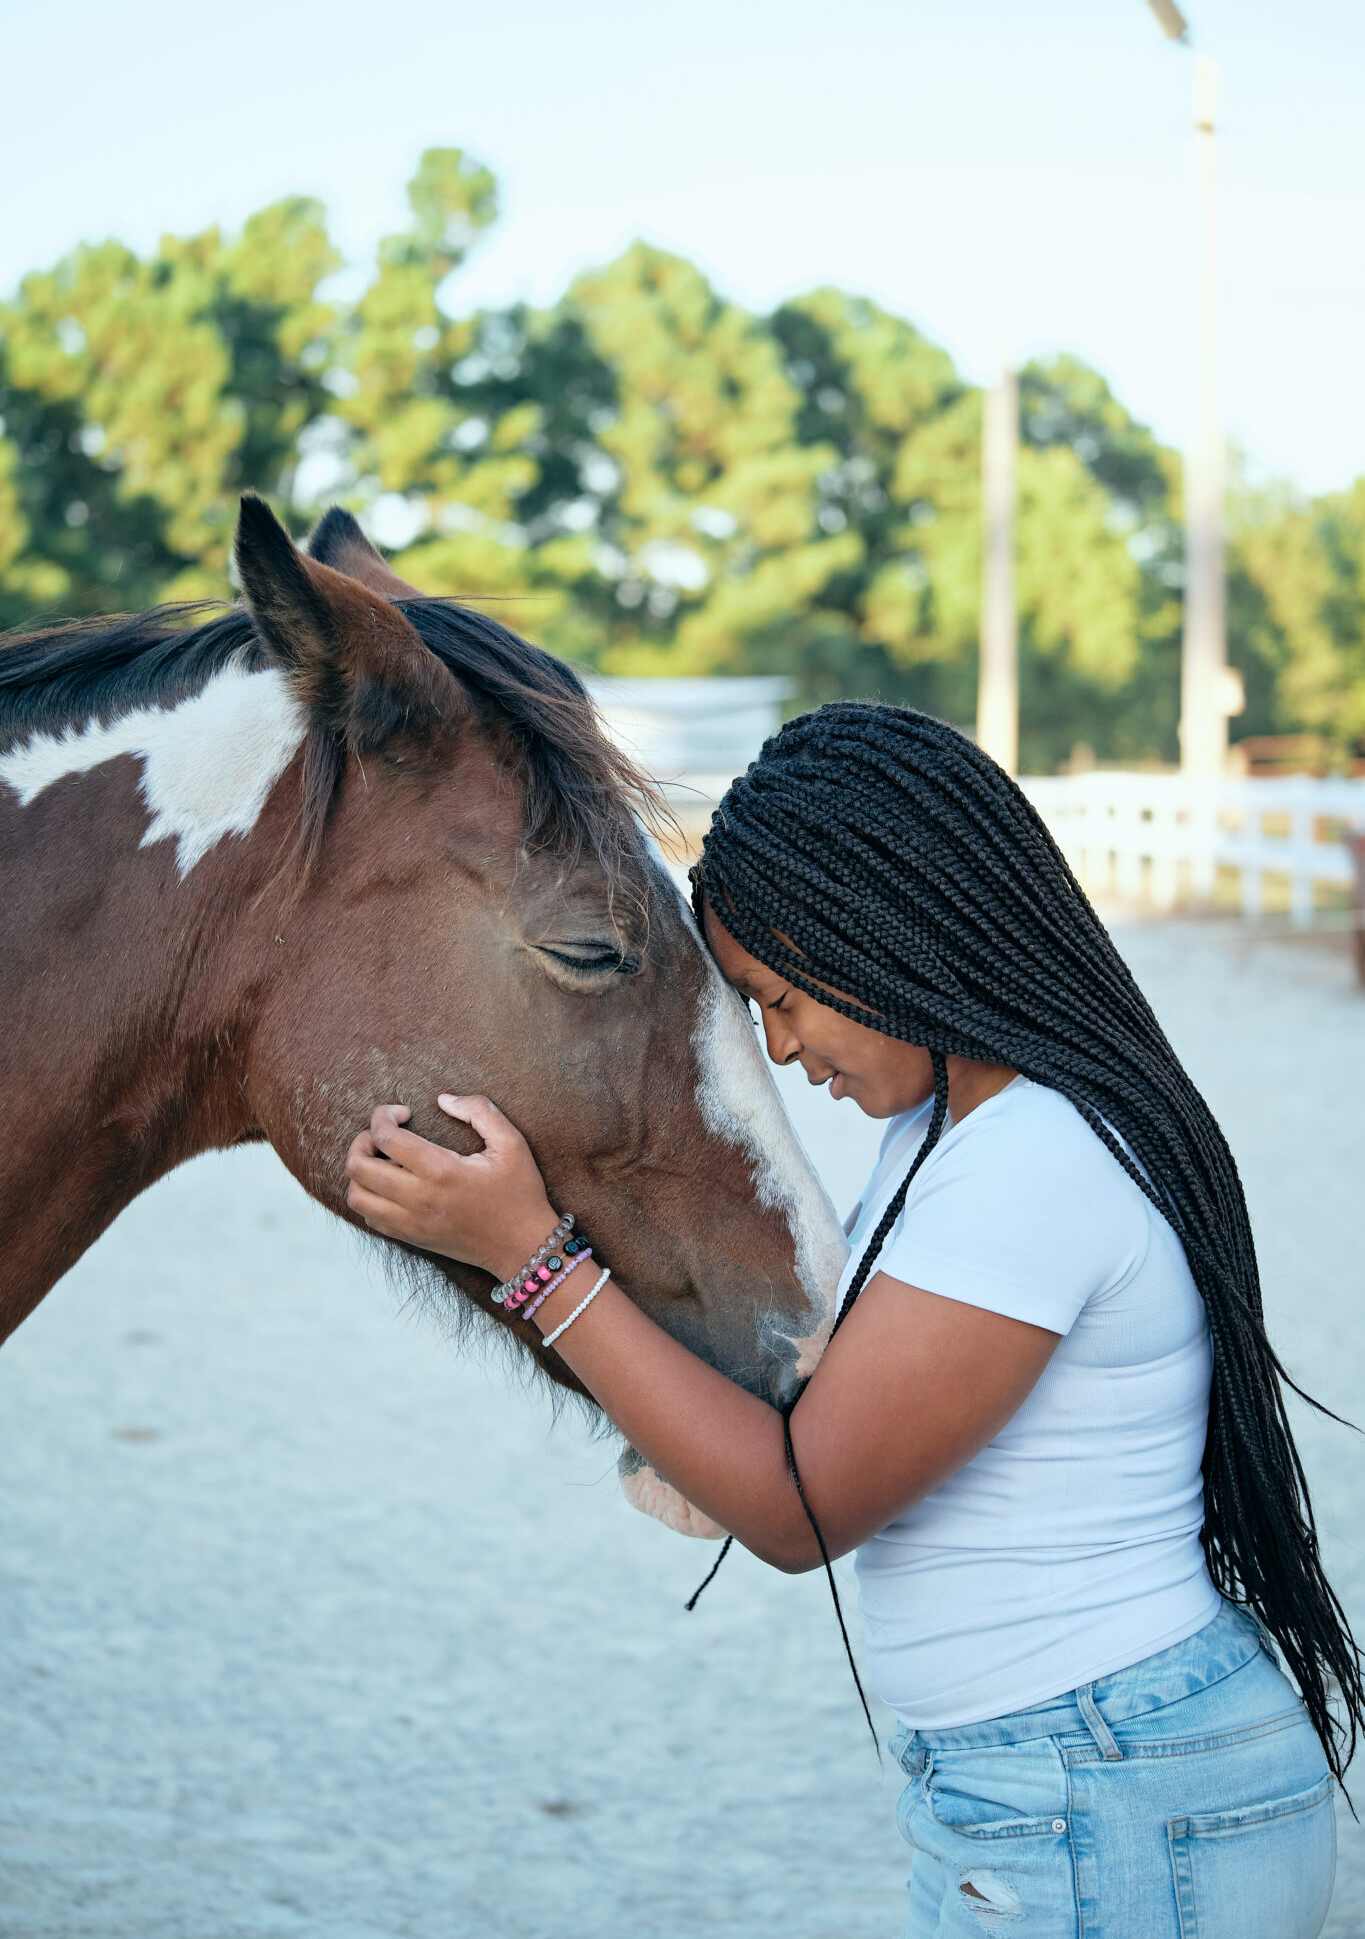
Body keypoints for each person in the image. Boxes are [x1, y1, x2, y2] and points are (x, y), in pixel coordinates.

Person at [345, 701, 1355, 1937]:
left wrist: (531, 1260)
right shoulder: (957, 1136)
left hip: (1099, 1780)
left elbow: (800, 1504)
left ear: (886, 930)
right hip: (1077, 1773)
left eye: (781, 996)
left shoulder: (1030, 1158)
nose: (779, 1046)